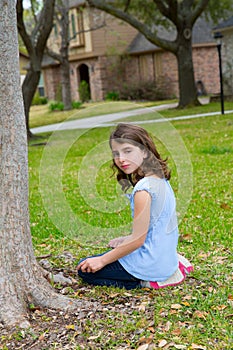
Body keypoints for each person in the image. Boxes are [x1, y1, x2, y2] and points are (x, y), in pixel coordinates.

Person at [77, 123, 193, 289]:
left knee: (85, 269)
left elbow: (138, 240)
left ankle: (143, 281)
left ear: (144, 152)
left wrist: (101, 260)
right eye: (116, 153)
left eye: (128, 151)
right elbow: (154, 227)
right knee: (99, 260)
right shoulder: (159, 179)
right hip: (164, 258)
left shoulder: (143, 190)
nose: (121, 159)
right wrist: (126, 240)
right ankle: (160, 269)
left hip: (151, 264)